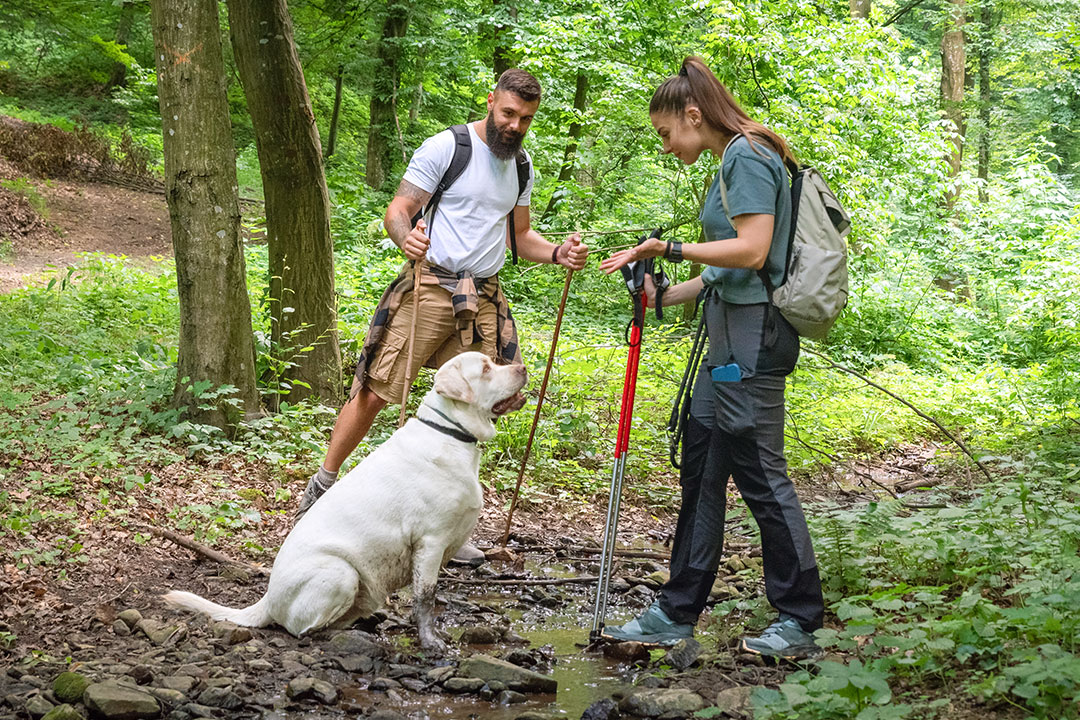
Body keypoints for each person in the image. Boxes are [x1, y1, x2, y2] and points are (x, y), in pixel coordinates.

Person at [599, 57, 824, 660]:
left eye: (667, 134)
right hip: (727, 339)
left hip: (753, 340)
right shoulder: (730, 160)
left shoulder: (747, 155)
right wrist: (663, 293)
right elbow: (724, 268)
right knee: (702, 468)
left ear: (693, 116)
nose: (667, 146)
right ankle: (677, 610)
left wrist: (665, 244)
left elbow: (751, 251)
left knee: (758, 473)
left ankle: (799, 619)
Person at [298, 69, 589, 535]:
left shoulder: (522, 166)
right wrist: (404, 239)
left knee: (479, 404)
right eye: (509, 113)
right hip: (432, 286)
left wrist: (558, 253)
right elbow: (400, 210)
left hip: (485, 295)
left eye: (526, 119)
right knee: (377, 389)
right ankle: (322, 487)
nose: (515, 126)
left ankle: (450, 521)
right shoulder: (446, 148)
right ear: (491, 101)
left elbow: (520, 235)